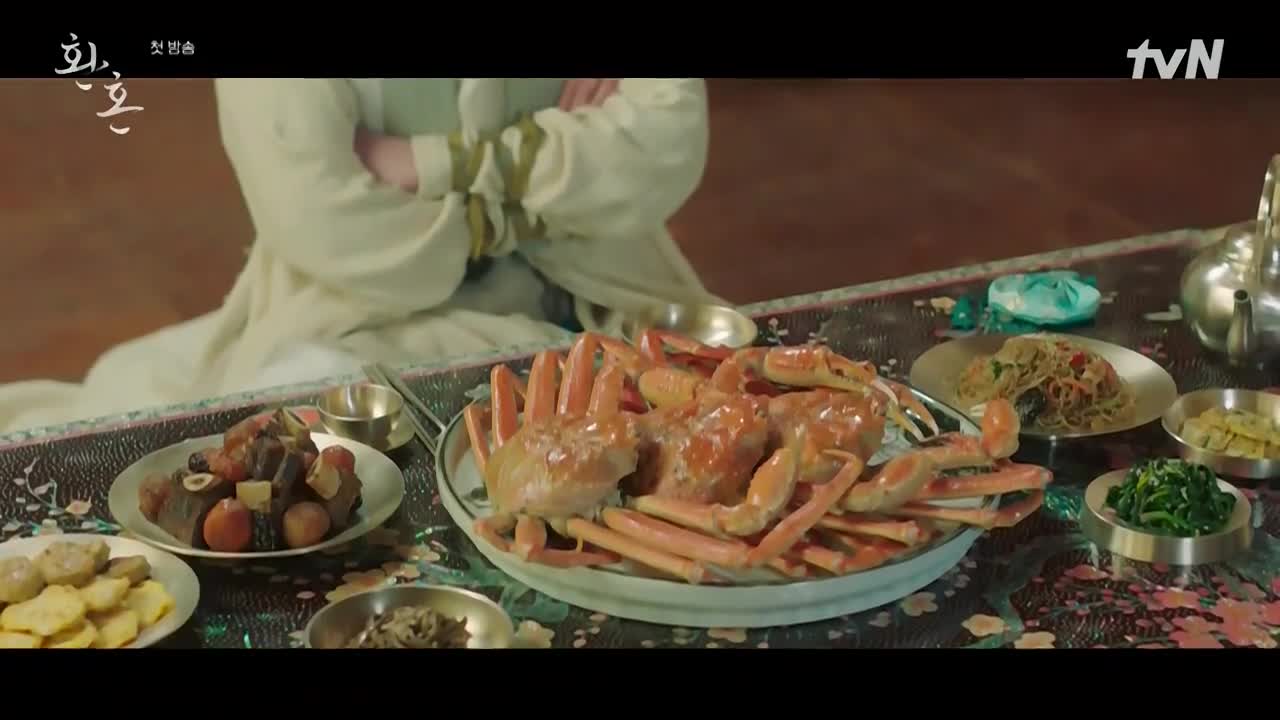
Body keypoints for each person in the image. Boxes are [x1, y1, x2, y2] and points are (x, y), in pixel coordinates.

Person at [0, 78, 722, 434]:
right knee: (252, 417)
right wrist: (556, 181)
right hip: (363, 309)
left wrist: (429, 164)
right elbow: (326, 223)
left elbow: (668, 142)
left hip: (599, 295)